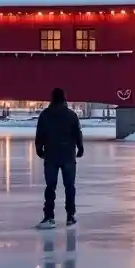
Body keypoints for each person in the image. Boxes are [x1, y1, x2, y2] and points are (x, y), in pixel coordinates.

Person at [35, 87, 84, 229]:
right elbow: (77, 133)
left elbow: (40, 134)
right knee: (69, 186)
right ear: (64, 98)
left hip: (51, 155)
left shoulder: (45, 115)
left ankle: (49, 216)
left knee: (50, 187)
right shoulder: (71, 115)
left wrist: (39, 148)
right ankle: (70, 216)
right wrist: (80, 147)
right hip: (68, 155)